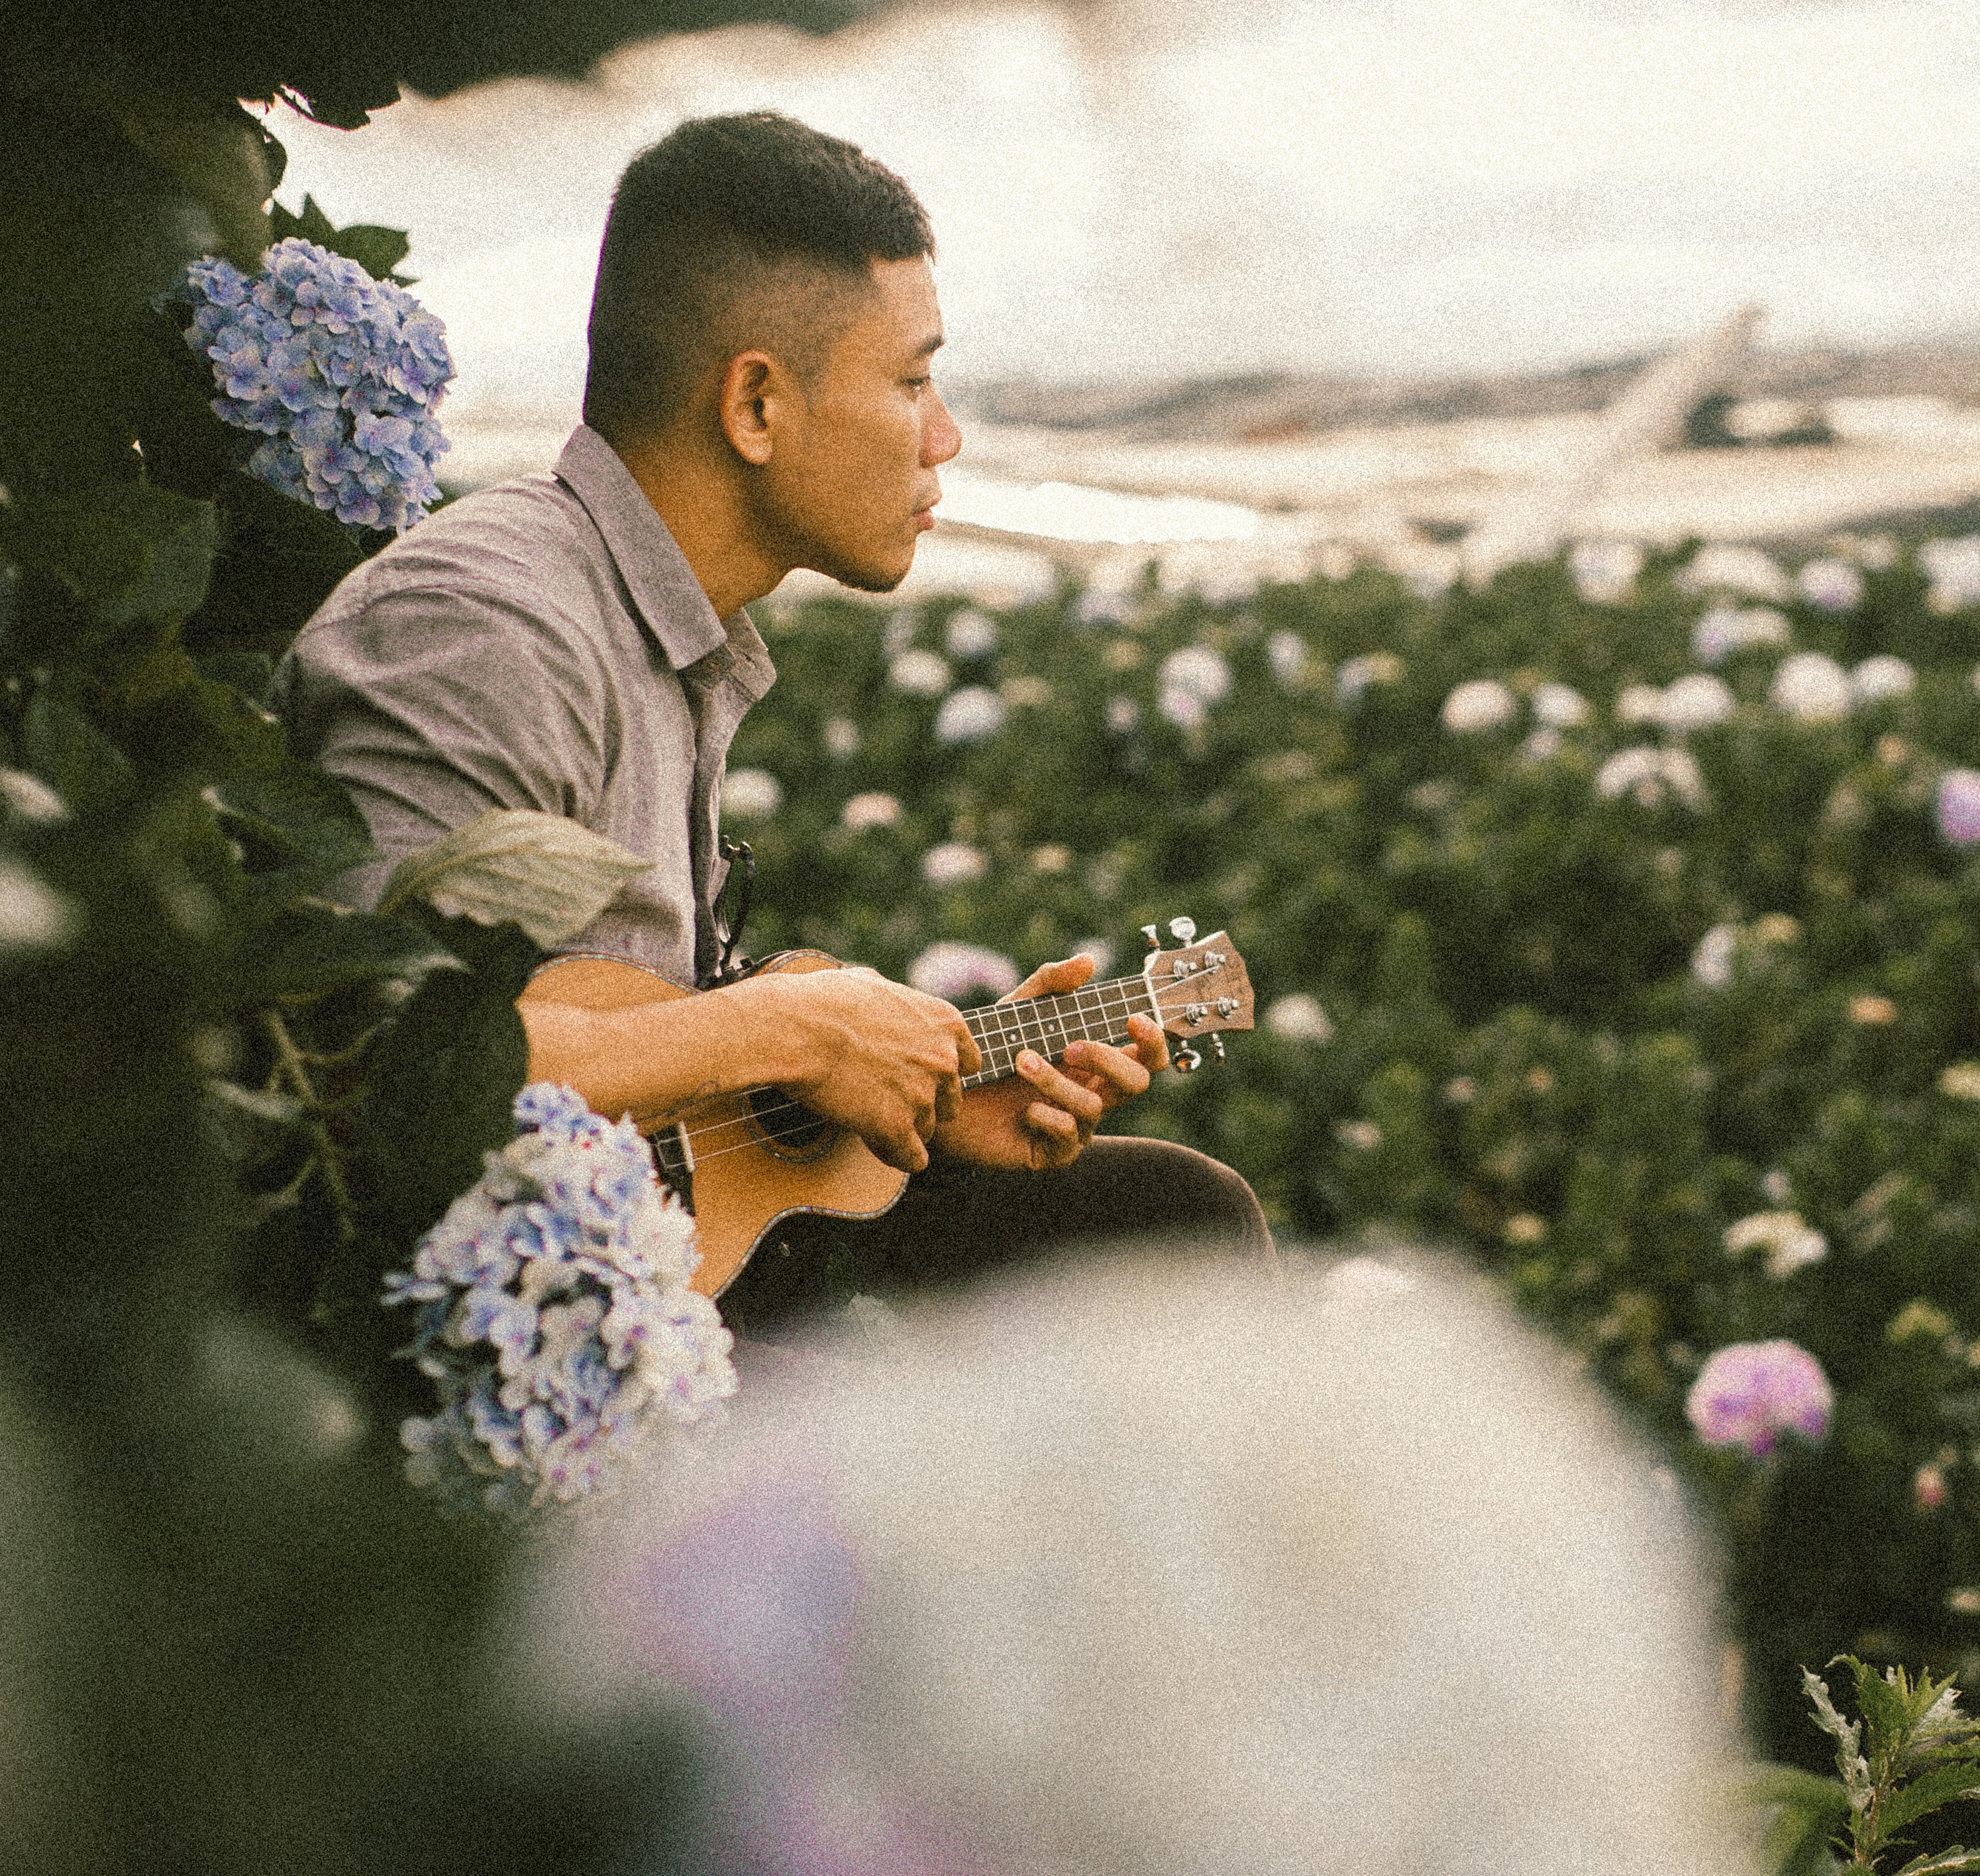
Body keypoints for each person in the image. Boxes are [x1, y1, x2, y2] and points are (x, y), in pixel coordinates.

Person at [273, 113, 1272, 1328]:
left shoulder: (661, 620)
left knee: (1163, 1219)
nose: (945, 436)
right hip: (488, 1329)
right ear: (755, 405)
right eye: (912, 380)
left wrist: (924, 1099)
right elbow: (378, 1073)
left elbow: (660, 1058)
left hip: (650, 1255)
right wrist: (792, 1023)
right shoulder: (488, 626)